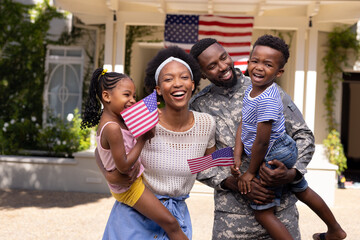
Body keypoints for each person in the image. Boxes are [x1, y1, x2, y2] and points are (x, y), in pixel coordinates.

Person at [189, 37, 314, 239]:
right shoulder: (197, 108)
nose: (222, 66)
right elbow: (197, 162)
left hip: (280, 213)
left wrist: (291, 173)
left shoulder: (266, 87)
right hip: (232, 221)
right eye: (212, 66)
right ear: (203, 73)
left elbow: (303, 136)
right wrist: (232, 182)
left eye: (223, 58)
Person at [230, 35, 346, 240]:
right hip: (277, 149)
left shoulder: (267, 97)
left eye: (268, 64)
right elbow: (244, 123)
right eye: (255, 61)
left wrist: (250, 172)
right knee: (302, 189)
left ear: (279, 71)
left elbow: (262, 141)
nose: (258, 67)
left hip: (274, 152)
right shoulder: (251, 89)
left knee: (263, 212)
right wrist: (237, 155)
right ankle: (335, 230)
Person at [95, 46, 217, 239]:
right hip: (136, 216)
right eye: (168, 79)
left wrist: (238, 170)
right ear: (158, 89)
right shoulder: (143, 116)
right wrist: (109, 175)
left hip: (176, 216)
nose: (177, 83)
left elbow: (205, 165)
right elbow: (102, 146)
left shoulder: (206, 123)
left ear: (193, 84)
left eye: (184, 77)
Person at [81, 68, 189, 239]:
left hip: (128, 185)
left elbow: (98, 151)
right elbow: (124, 166)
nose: (132, 100)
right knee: (171, 224)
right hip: (130, 187)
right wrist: (142, 138)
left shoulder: (115, 120)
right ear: (107, 96)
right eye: (126, 95)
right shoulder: (113, 128)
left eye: (133, 96)